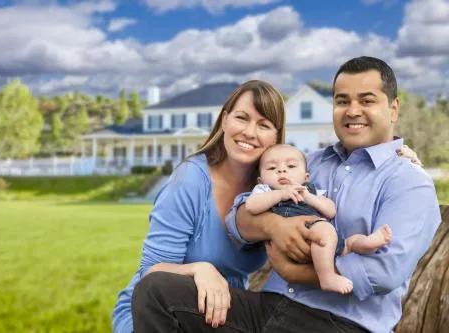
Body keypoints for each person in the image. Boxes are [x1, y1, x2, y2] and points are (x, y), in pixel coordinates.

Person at [132, 56, 440, 333]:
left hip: (338, 323)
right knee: (158, 291)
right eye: (342, 100)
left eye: (367, 100)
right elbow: (237, 218)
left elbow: (384, 272)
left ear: (393, 108)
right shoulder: (309, 163)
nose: (352, 111)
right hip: (267, 307)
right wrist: (272, 226)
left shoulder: (409, 183)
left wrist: (297, 272)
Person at [113, 80, 305, 333]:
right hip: (157, 312)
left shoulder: (272, 190)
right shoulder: (190, 179)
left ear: (276, 136)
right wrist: (199, 269)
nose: (249, 132)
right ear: (224, 120)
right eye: (241, 118)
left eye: (263, 125)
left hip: (219, 312)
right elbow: (151, 272)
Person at [246, 143, 392, 295]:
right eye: (272, 168)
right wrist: (280, 194)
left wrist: (310, 197)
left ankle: (368, 244)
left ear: (306, 177)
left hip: (324, 243)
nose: (282, 170)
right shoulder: (265, 190)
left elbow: (330, 210)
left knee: (350, 242)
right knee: (324, 230)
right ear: (261, 180)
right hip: (301, 239)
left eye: (290, 166)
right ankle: (327, 276)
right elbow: (251, 206)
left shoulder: (308, 190)